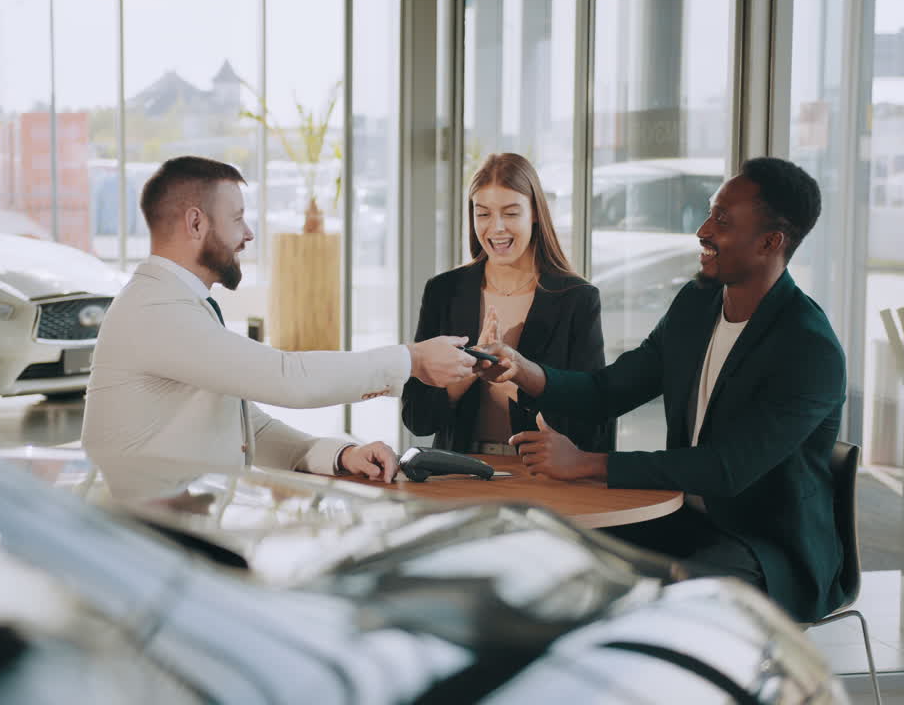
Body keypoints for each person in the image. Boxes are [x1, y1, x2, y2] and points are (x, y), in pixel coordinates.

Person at [478, 157, 846, 622]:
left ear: (771, 242)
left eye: (724, 221)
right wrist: (523, 370)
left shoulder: (809, 348)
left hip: (768, 547)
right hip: (683, 522)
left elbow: (726, 469)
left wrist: (586, 463)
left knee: (659, 604)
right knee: (556, 559)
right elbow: (608, 390)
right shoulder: (698, 302)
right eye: (711, 212)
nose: (703, 230)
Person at [81, 156, 475, 504]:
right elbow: (287, 378)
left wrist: (338, 455)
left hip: (175, 529)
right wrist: (412, 359)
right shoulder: (157, 311)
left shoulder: (176, 303)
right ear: (196, 222)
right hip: (146, 540)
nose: (248, 234)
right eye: (237, 219)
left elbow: (241, 421)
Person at [401, 153, 612, 455]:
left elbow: (589, 420)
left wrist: (513, 376)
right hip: (460, 474)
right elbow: (417, 418)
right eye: (483, 214)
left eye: (511, 213)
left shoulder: (577, 298)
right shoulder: (444, 291)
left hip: (543, 478)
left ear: (535, 213)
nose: (496, 227)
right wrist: (472, 366)